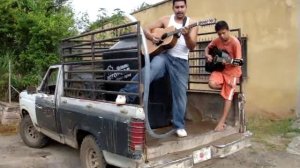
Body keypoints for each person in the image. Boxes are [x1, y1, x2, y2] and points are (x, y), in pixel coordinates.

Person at [115, 0, 198, 137]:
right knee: (151, 69)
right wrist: (151, 36)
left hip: (181, 62)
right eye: (177, 7)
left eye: (182, 7)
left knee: (180, 95)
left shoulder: (192, 23)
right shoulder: (166, 20)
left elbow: (192, 46)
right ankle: (125, 93)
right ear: (173, 8)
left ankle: (179, 125)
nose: (179, 9)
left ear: (186, 7)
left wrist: (187, 35)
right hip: (165, 56)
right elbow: (145, 28)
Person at [204, 21, 242, 131]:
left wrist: (229, 61)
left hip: (233, 72)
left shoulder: (235, 43)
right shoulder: (217, 40)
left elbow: (240, 62)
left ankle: (221, 123)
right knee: (211, 84)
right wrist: (208, 56)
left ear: (228, 30)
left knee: (228, 97)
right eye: (219, 34)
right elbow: (207, 48)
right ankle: (228, 90)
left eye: (223, 33)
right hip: (221, 70)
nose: (221, 36)